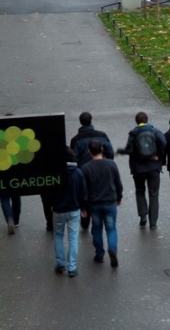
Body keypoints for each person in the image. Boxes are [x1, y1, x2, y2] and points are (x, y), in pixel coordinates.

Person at [117, 111, 166, 229]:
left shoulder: (133, 133)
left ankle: (143, 216)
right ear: (147, 120)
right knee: (154, 194)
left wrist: (120, 151)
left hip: (138, 168)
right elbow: (164, 143)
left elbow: (129, 150)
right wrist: (159, 157)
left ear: (136, 121)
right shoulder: (155, 131)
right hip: (154, 167)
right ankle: (153, 223)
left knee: (140, 191)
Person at [70, 111, 115, 230]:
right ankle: (100, 218)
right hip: (101, 169)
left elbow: (73, 158)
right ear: (91, 120)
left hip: (83, 172)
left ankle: (85, 219)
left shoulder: (75, 140)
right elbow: (110, 153)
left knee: (85, 194)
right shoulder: (102, 135)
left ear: (80, 122)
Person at [81, 140, 123, 268]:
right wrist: (119, 197)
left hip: (94, 204)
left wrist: (83, 207)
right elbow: (118, 183)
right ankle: (112, 249)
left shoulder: (86, 168)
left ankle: (99, 254)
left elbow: (84, 190)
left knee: (97, 229)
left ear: (89, 151)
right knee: (111, 229)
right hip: (110, 202)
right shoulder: (111, 164)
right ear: (102, 149)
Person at [52, 147, 86, 277]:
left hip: (58, 209)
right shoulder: (78, 173)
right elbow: (82, 192)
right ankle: (72, 267)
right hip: (74, 209)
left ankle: (60, 263)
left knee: (58, 236)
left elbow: (49, 193)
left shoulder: (55, 173)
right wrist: (83, 207)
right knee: (73, 238)